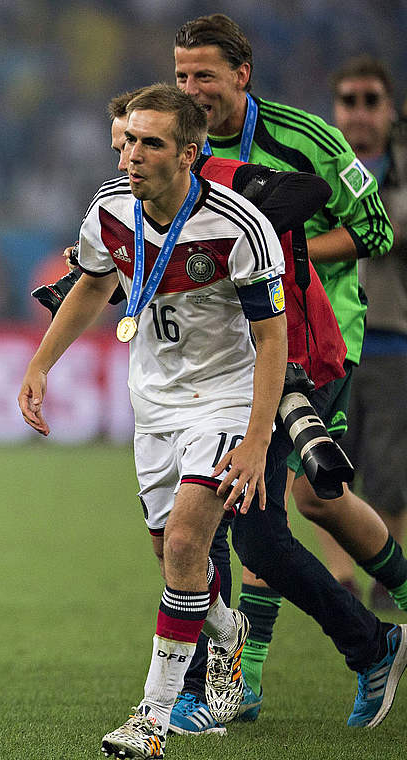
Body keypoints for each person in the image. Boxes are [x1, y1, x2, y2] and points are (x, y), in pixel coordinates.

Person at [22, 84, 287, 759]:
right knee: (173, 558)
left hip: (223, 403)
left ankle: (152, 719)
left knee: (184, 547)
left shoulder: (240, 228)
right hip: (154, 407)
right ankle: (225, 630)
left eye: (150, 143)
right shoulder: (111, 210)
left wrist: (257, 439)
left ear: (190, 154)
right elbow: (92, 284)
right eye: (127, 141)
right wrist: (42, 363)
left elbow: (273, 337)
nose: (131, 155)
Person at [173, 14, 407, 720]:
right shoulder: (173, 144)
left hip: (311, 339)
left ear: (242, 74)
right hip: (221, 354)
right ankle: (253, 677)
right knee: (246, 521)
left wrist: (273, 248)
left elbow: (375, 230)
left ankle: (237, 681)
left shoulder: (306, 139)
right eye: (181, 76)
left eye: (204, 76)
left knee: (278, 513)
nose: (191, 89)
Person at [333, 56, 407, 613]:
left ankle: (390, 571)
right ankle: (342, 580)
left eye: (369, 100)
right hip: (328, 339)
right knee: (320, 466)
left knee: (388, 472)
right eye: (349, 100)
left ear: (390, 108)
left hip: (390, 339)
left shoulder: (403, 168)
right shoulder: (322, 165)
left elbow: (386, 234)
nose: (359, 113)